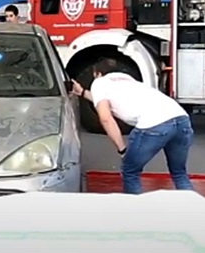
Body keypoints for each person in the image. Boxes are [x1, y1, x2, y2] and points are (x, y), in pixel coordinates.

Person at [73, 58, 195, 195]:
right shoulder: (129, 81)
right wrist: (83, 92)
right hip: (181, 119)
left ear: (97, 73)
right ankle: (192, 208)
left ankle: (135, 211)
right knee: (179, 173)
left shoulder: (99, 82)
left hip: (154, 124)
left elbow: (105, 118)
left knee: (130, 172)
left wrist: (122, 150)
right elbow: (107, 100)